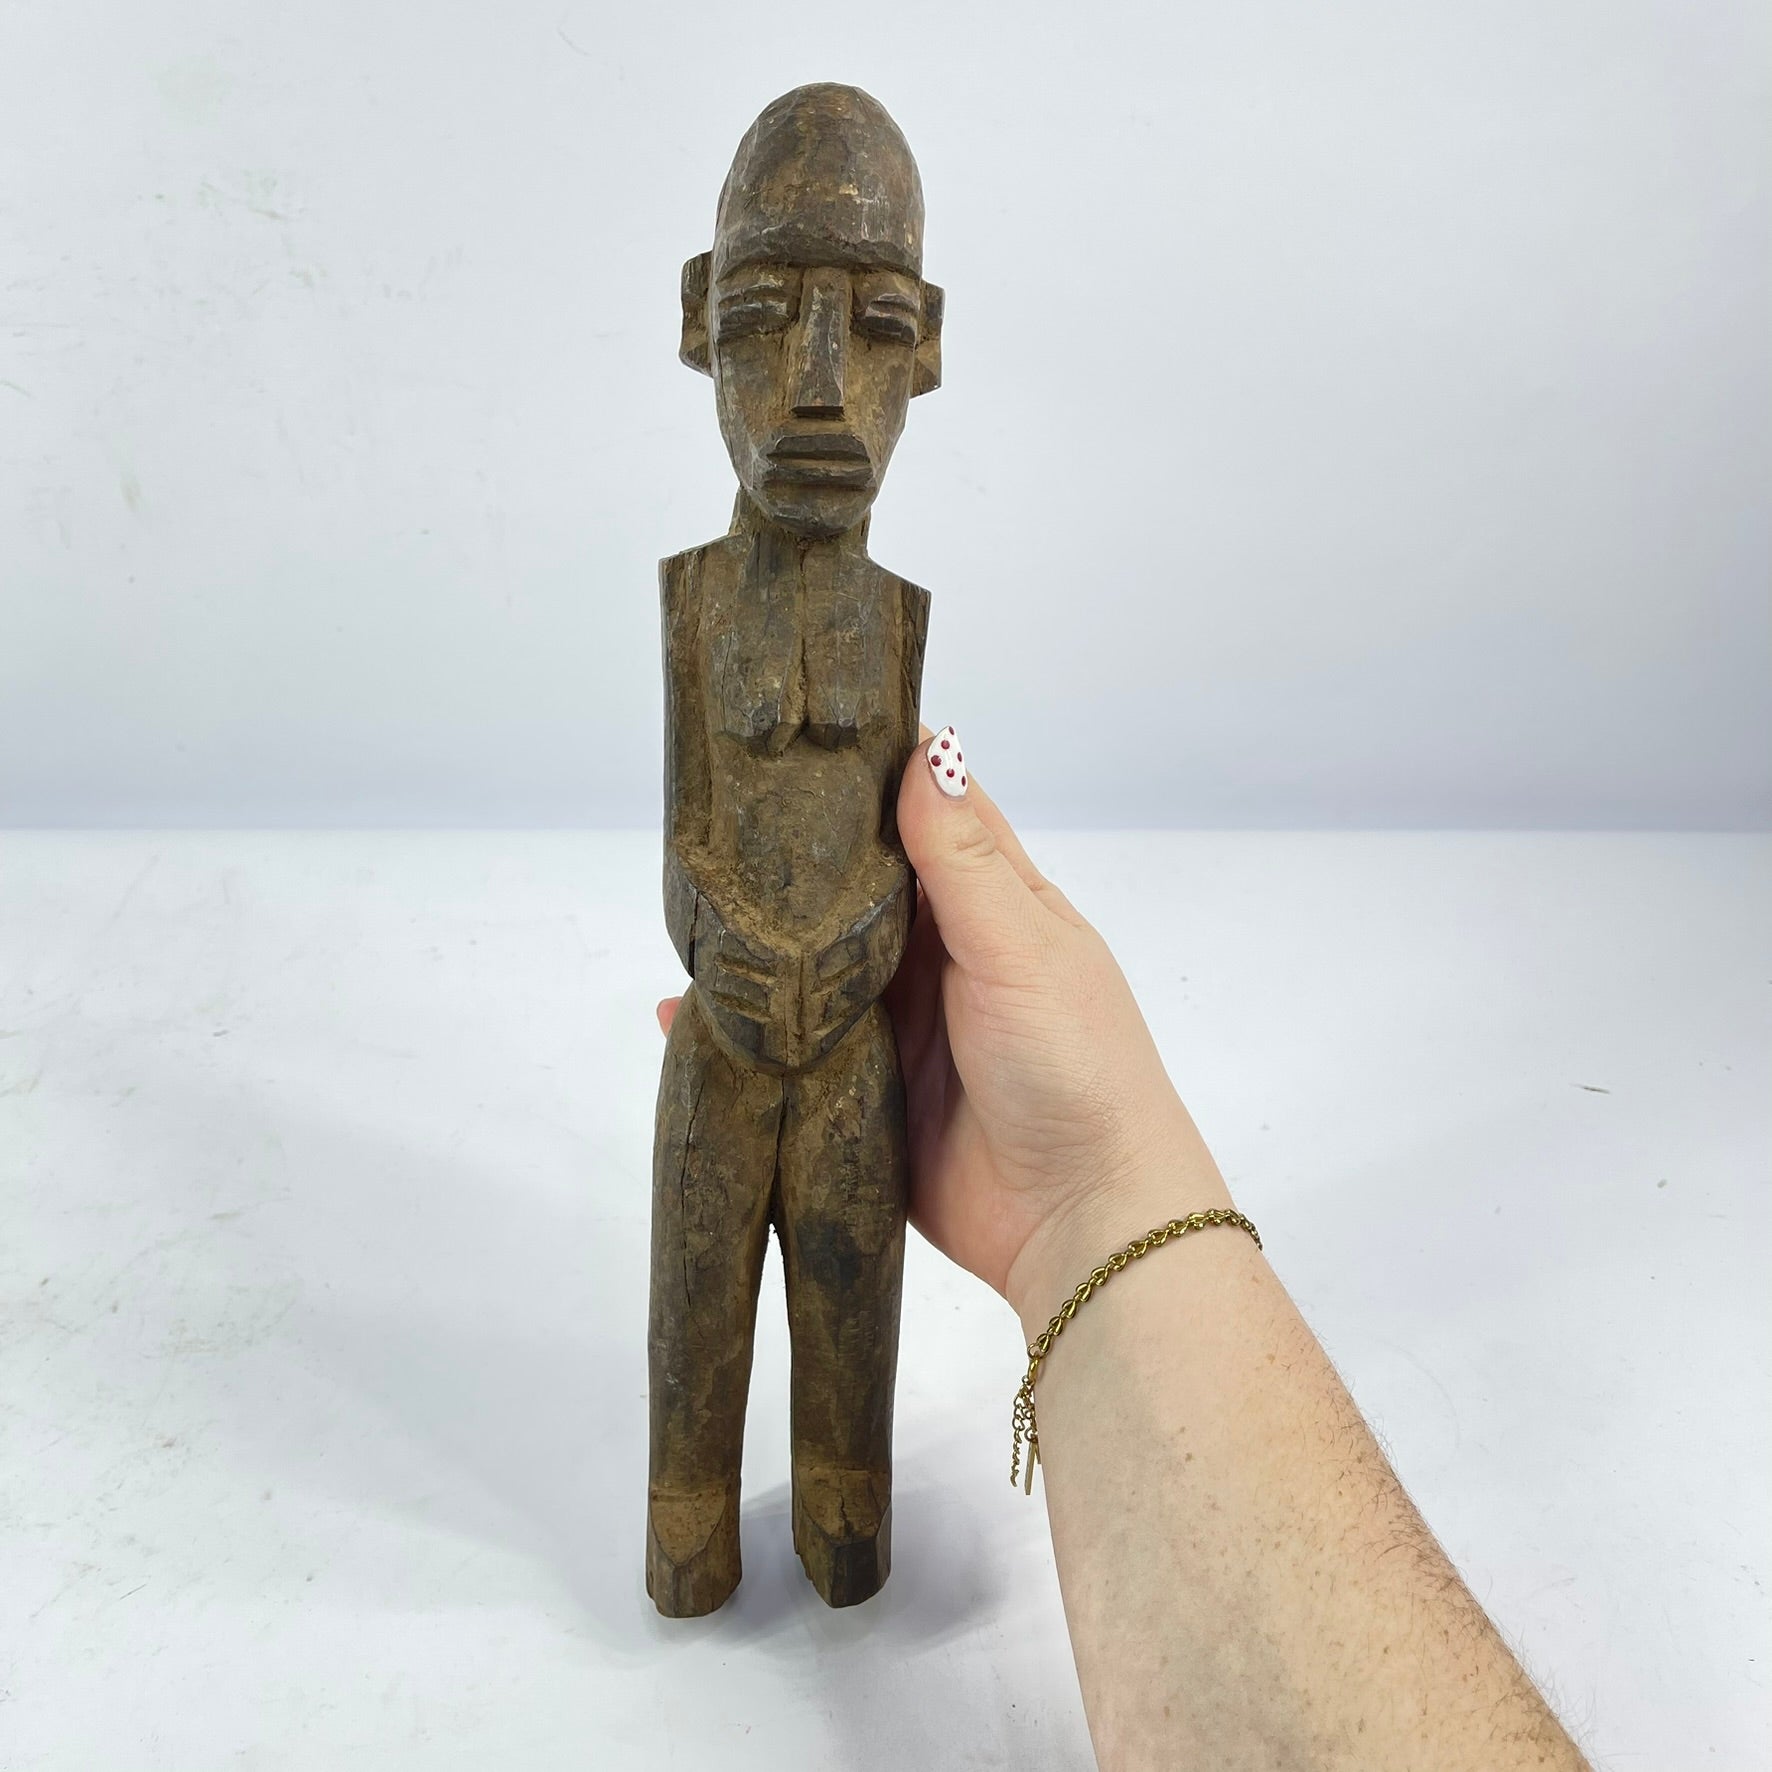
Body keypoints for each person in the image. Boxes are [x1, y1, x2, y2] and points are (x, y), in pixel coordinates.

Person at [655, 724, 1593, 1771]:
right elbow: (686, 828)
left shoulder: (885, 638)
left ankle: (845, 1482)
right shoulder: (700, 624)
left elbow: (889, 860)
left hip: (854, 1046)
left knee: (849, 1293)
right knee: (699, 1290)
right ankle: (686, 1505)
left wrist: (1087, 1188)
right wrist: (722, 940)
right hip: (724, 1042)